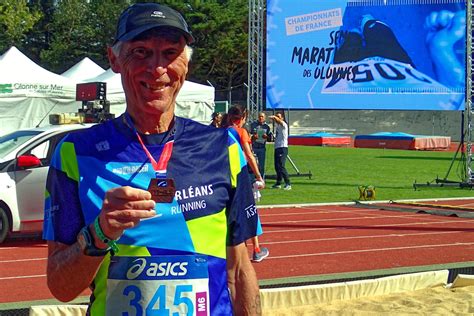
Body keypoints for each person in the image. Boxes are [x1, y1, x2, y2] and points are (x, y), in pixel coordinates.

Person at [42, 3, 261, 315]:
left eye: (170, 52)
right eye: (141, 52)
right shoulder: (75, 152)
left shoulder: (223, 148)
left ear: (185, 64)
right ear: (114, 59)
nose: (157, 69)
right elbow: (61, 288)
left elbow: (240, 273)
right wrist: (99, 234)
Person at [225, 105, 269, 262]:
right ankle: (256, 249)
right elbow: (249, 155)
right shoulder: (241, 132)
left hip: (226, 178)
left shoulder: (221, 132)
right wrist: (259, 176)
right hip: (241, 175)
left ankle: (239, 250)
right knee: (250, 211)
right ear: (242, 118)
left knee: (232, 214)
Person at [269, 112, 291, 190]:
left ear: (282, 118)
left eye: (278, 116)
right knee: (277, 166)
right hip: (277, 147)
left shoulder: (284, 125)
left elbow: (279, 121)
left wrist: (274, 117)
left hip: (282, 147)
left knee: (281, 166)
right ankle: (278, 183)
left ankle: (288, 183)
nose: (276, 118)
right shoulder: (278, 126)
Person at [250, 112, 272, 180]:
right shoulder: (253, 125)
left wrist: (266, 137)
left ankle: (261, 180)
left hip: (262, 148)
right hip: (254, 147)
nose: (261, 118)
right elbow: (248, 136)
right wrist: (253, 137)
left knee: (261, 166)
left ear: (264, 118)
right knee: (253, 165)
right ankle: (252, 180)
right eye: (259, 116)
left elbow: (269, 139)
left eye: (262, 117)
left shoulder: (267, 127)